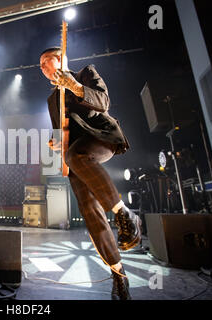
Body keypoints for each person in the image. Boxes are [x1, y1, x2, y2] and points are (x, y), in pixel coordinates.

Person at [40, 47, 142, 300]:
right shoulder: (51, 100)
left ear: (61, 58)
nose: (42, 66)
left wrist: (75, 86)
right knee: (90, 211)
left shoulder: (86, 73)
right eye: (39, 65)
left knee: (78, 155)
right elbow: (61, 134)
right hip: (75, 152)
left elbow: (103, 102)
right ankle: (119, 275)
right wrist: (56, 143)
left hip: (100, 137)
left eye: (46, 60)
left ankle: (125, 214)